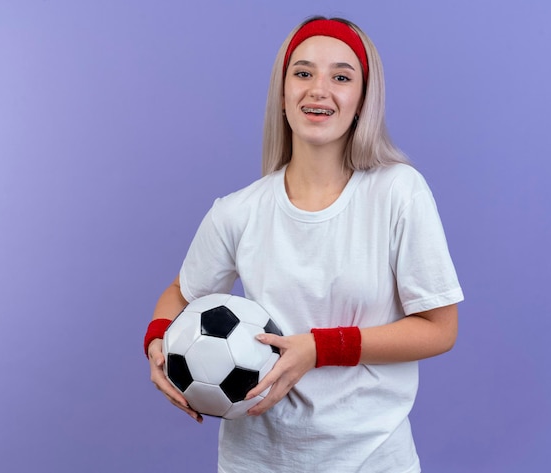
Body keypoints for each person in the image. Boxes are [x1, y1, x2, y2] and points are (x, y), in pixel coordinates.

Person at [144, 16, 464, 473]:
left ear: (362, 100)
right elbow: (180, 294)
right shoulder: (238, 211)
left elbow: (439, 327)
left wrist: (319, 348)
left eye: (341, 76)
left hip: (373, 457)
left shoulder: (399, 192)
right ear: (282, 94)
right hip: (255, 459)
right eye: (303, 73)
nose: (319, 89)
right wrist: (157, 341)